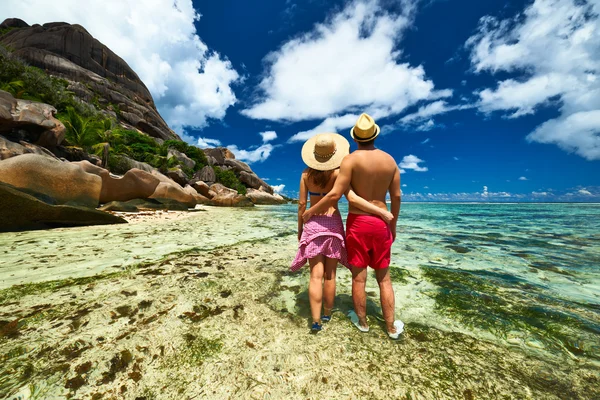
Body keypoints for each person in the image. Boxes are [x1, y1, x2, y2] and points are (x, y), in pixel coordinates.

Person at [302, 114, 404, 339]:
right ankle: (390, 327)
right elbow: (396, 197)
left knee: (359, 278)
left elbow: (337, 194)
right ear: (375, 134)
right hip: (381, 223)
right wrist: (392, 223)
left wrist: (308, 212)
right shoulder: (390, 161)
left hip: (358, 223)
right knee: (384, 278)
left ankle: (363, 322)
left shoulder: (349, 161)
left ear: (355, 138)